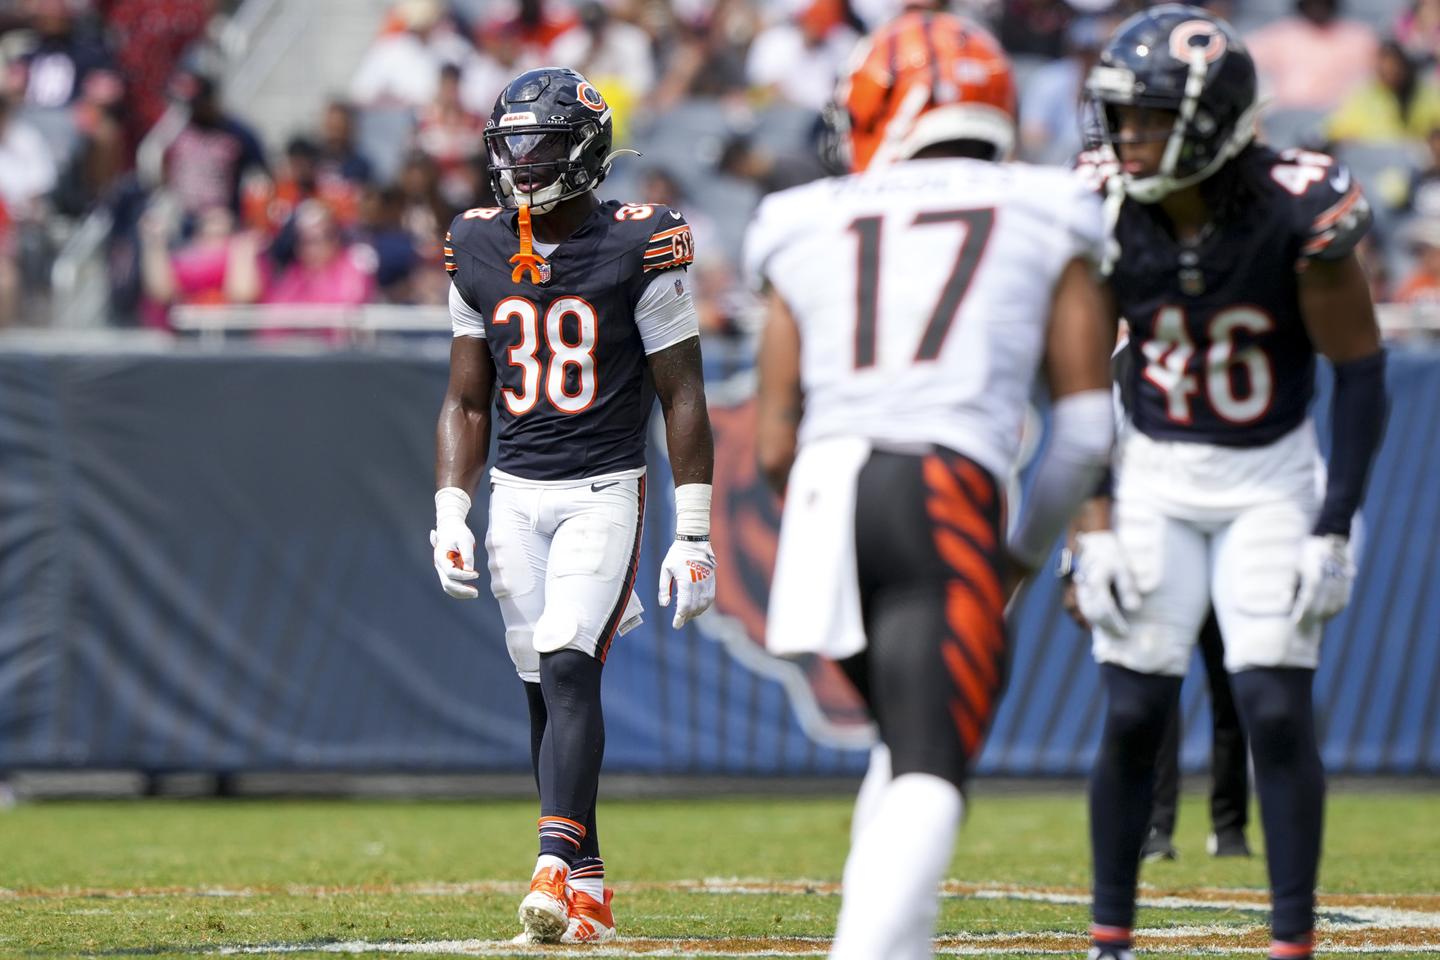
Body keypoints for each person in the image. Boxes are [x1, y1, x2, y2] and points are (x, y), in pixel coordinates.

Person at [749, 12, 1115, 959]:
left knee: (901, 746)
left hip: (830, 493)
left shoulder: (799, 218)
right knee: (932, 770)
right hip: (945, 484)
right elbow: (1082, 430)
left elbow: (777, 438)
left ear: (890, 110)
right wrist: (1021, 559)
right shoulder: (1050, 205)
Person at [1073, 6, 1387, 960]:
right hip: (1156, 474)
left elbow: (1362, 373)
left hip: (1271, 479)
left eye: (1149, 118)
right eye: (1120, 118)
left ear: (1213, 120)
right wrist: (1091, 524)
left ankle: (1291, 941)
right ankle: (1109, 938)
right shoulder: (1103, 204)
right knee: (1132, 709)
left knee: (1276, 708)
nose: (1127, 139)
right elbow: (1084, 380)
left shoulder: (1300, 206)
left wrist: (1332, 526)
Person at [431, 67, 717, 946]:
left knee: (565, 663)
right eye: (510, 143)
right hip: (514, 490)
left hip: (602, 486)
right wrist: (450, 505)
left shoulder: (643, 240)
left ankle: (552, 864)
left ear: (585, 151)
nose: (520, 161)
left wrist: (694, 530)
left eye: (541, 143)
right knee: (538, 687)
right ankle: (588, 891)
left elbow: (683, 395)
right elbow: (468, 399)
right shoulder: (476, 241)